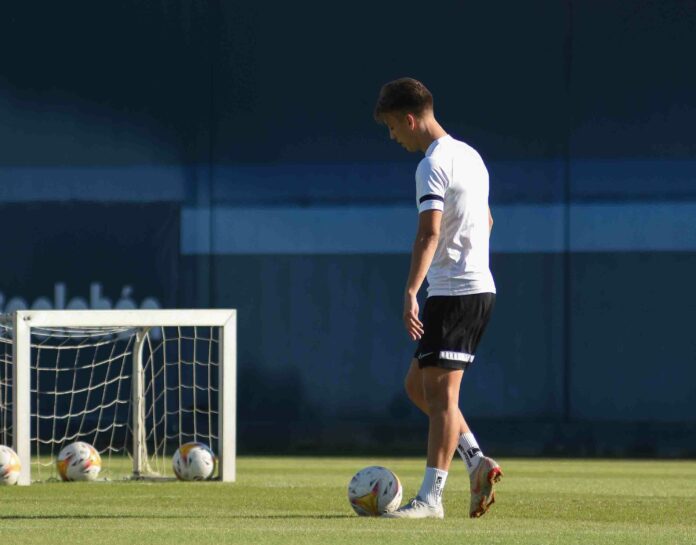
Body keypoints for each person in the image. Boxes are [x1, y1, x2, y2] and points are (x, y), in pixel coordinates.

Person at [374, 77, 501, 519]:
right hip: (472, 288)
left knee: (443, 399)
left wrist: (412, 290)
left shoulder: (431, 164)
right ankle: (475, 461)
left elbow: (429, 232)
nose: (394, 137)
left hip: (454, 293)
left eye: (393, 127)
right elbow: (485, 220)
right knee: (417, 387)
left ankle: (430, 500)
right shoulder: (471, 155)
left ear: (410, 119)